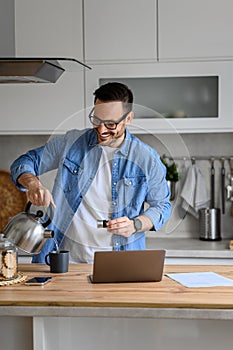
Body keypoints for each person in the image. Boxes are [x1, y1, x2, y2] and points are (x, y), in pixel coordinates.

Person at [10, 82, 171, 263]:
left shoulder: (146, 158)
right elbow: (25, 162)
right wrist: (33, 184)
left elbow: (162, 206)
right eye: (97, 120)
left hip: (119, 264)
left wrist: (136, 224)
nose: (101, 130)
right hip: (61, 263)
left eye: (110, 124)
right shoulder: (71, 142)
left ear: (128, 119)